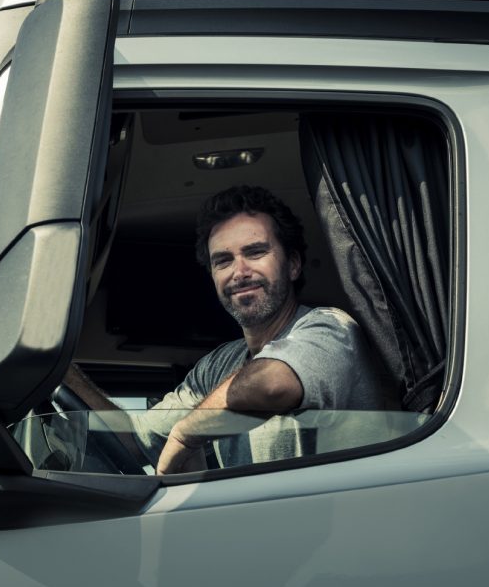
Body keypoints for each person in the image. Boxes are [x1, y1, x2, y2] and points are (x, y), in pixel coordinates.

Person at [64, 185, 381, 474]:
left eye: (255, 252)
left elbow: (272, 384)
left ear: (293, 264)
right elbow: (135, 441)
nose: (240, 272)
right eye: (223, 260)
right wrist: (63, 370)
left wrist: (186, 435)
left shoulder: (329, 328)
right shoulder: (218, 366)